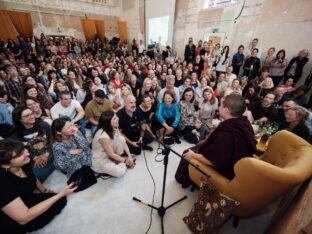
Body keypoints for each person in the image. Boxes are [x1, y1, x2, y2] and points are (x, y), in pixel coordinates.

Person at [175, 94, 257, 188]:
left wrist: (193, 156)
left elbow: (215, 161)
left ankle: (187, 180)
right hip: (238, 163)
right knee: (199, 144)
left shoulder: (226, 134)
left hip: (226, 169)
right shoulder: (244, 121)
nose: (219, 107)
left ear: (226, 110)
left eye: (221, 105)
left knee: (187, 153)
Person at [0, 139, 76, 234]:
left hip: (27, 199)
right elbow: (23, 218)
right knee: (58, 199)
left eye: (24, 149)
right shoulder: (3, 183)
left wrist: (44, 190)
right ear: (5, 165)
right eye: (19, 155)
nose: (27, 153)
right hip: (14, 217)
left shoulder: (24, 164)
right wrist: (61, 194)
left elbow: (33, 177)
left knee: (59, 201)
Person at [11, 105, 55, 182]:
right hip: (34, 159)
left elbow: (52, 140)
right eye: (26, 116)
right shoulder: (16, 134)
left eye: (31, 113)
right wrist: (34, 157)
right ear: (20, 119)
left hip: (49, 152)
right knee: (36, 177)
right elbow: (21, 150)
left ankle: (55, 161)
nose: (31, 116)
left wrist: (47, 154)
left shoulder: (44, 125)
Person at [91, 111, 134, 177]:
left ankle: (120, 160)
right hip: (100, 159)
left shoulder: (113, 128)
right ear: (108, 122)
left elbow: (124, 142)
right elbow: (111, 154)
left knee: (121, 139)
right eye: (114, 118)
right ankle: (122, 162)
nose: (118, 119)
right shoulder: (102, 136)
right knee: (120, 173)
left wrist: (129, 156)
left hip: (110, 154)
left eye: (116, 117)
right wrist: (125, 161)